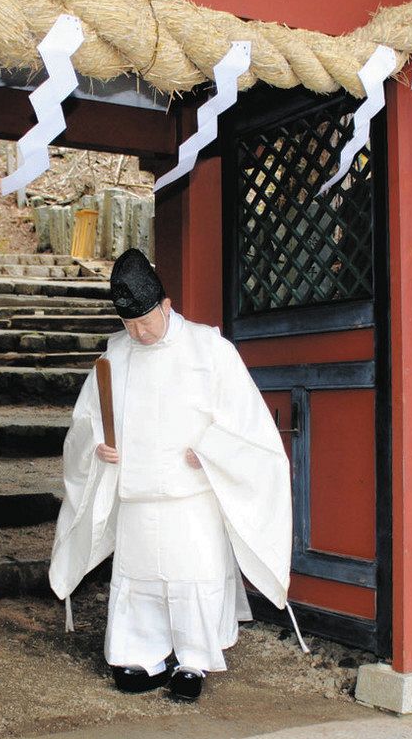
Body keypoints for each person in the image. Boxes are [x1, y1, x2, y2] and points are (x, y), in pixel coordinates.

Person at [49, 248, 293, 701]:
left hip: (190, 495)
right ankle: (140, 654)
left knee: (190, 576)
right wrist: (97, 447)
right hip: (137, 492)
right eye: (129, 325)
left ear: (166, 305)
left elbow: (246, 422)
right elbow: (85, 424)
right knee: (140, 577)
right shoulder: (113, 357)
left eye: (146, 321)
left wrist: (214, 450)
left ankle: (193, 659)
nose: (139, 333)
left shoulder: (210, 349)